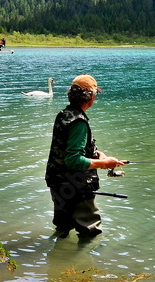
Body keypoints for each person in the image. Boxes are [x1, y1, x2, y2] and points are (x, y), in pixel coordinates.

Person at [44, 74, 125, 238]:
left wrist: (99, 155)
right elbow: (73, 160)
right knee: (90, 233)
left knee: (62, 228)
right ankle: (87, 262)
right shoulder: (79, 122)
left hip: (58, 183)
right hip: (76, 186)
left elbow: (66, 147)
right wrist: (104, 164)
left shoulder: (64, 114)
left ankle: (56, 260)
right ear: (92, 96)